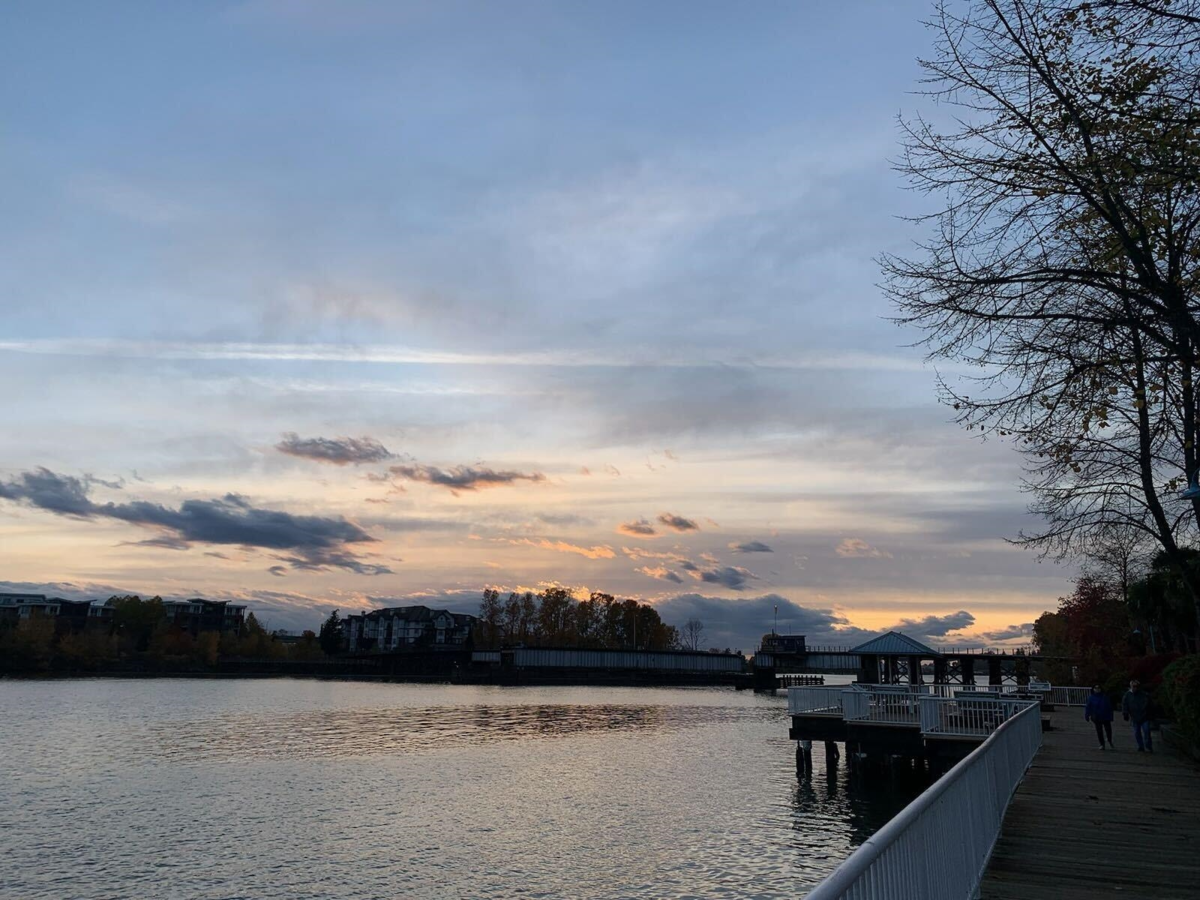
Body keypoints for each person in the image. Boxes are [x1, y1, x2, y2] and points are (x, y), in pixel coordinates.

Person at [1121, 679, 1154, 753]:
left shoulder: (1144, 694)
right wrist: (1125, 713)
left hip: (1144, 716)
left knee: (1147, 731)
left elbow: (1150, 704)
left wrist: (1150, 714)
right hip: (1134, 717)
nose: (1135, 688)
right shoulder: (1127, 695)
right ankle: (1141, 746)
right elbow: (1124, 705)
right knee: (1137, 732)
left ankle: (1148, 746)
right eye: (1133, 686)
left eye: (1136, 686)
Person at [1084, 685, 1114, 750]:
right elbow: (1088, 707)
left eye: (1098, 688)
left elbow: (1109, 707)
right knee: (1099, 731)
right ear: (1093, 689)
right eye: (1096, 688)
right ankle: (1102, 744)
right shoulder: (1091, 697)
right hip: (1096, 717)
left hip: (1106, 716)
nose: (1097, 689)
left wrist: (1111, 716)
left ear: (1101, 689)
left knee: (1108, 730)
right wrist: (1087, 715)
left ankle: (1109, 740)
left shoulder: (1105, 697)